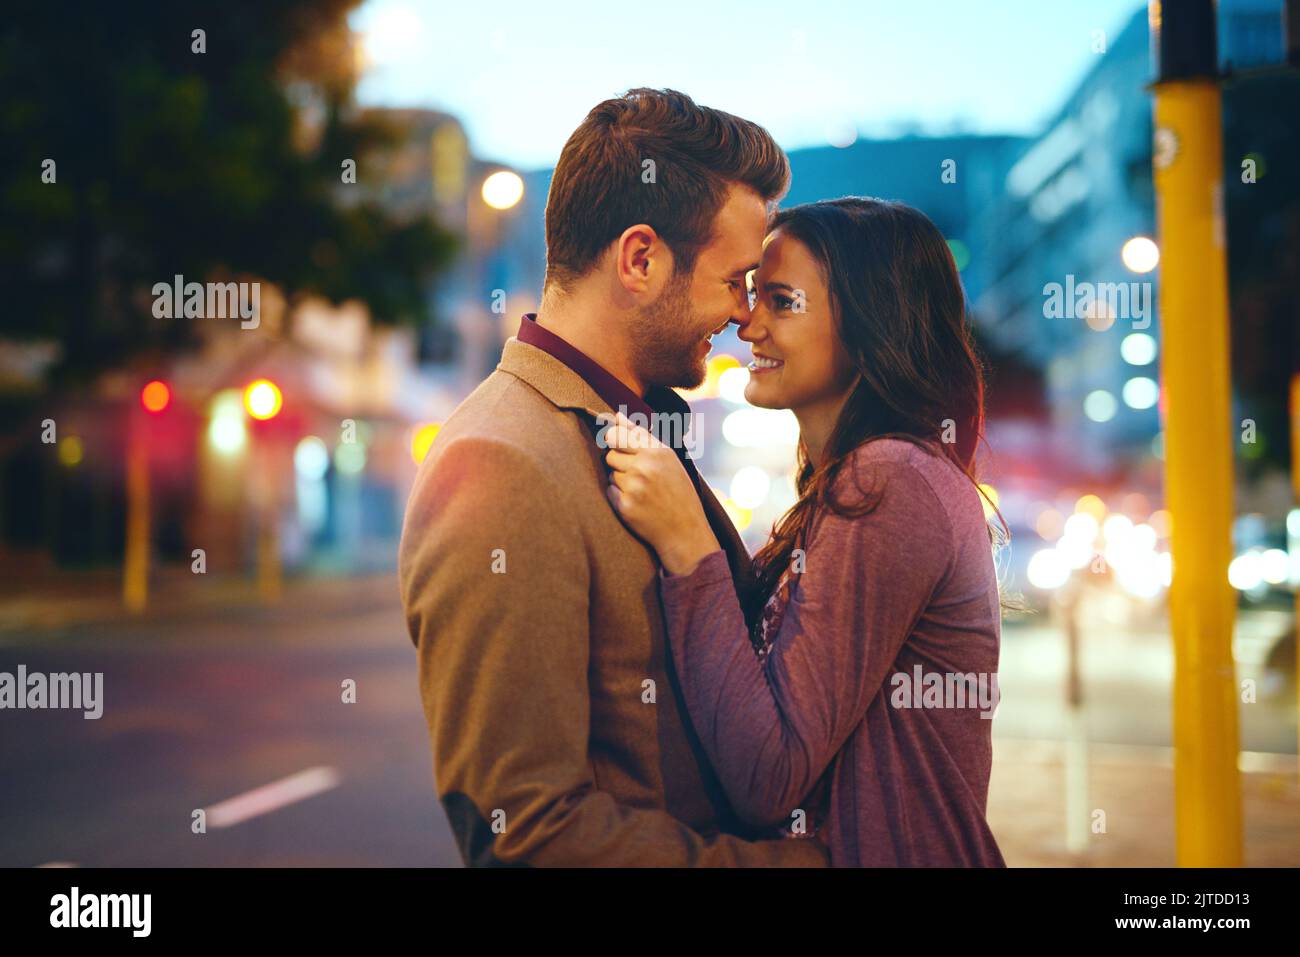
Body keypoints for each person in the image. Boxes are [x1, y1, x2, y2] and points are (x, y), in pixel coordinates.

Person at [398, 88, 828, 866]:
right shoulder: (503, 462)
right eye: (735, 278)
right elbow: (528, 833)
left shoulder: (626, 421)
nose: (742, 312)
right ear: (640, 259)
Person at [604, 197, 1008, 866]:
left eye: (784, 303)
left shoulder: (890, 481)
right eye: (754, 295)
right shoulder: (852, 483)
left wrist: (688, 547)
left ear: (870, 324)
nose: (748, 324)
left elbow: (769, 772)